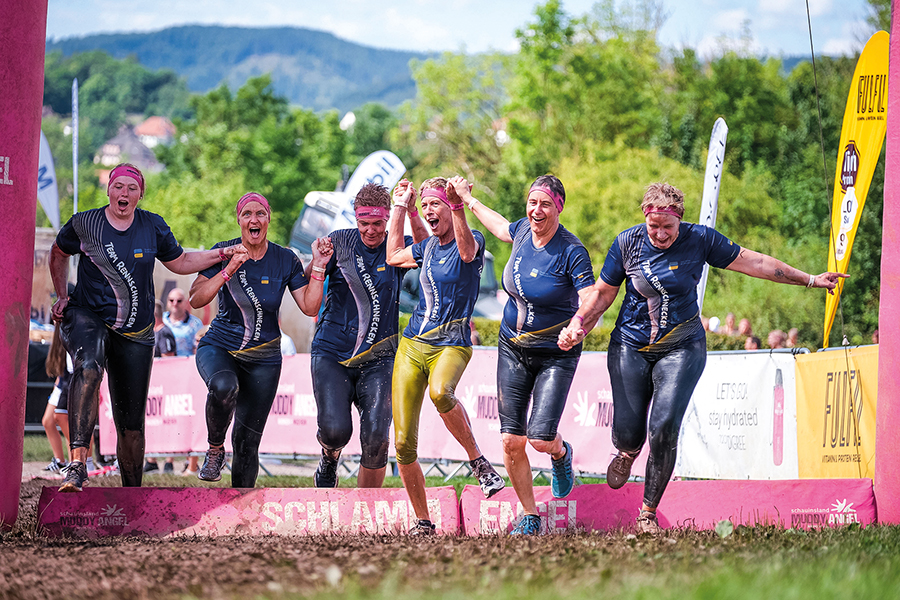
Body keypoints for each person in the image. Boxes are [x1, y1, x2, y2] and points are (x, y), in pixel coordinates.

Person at [558, 182, 847, 534]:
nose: (661, 234)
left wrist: (811, 279)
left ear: (680, 220)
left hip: (682, 345)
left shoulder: (700, 240)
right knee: (628, 433)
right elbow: (603, 294)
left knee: (664, 426)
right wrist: (578, 324)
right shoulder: (627, 243)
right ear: (644, 219)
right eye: (654, 227)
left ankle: (647, 512)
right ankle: (627, 452)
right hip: (630, 344)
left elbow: (753, 261)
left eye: (668, 227)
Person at [49, 163, 244, 492]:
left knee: (131, 426)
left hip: (136, 332)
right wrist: (62, 295)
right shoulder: (85, 223)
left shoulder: (151, 226)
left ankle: (131, 495)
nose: (124, 193)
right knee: (90, 366)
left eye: (131, 188)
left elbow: (180, 262)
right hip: (88, 314)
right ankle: (77, 464)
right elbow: (58, 252)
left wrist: (221, 254)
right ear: (108, 189)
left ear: (140, 194)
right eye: (118, 187)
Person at [464, 174, 595, 535]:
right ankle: (529, 514)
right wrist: (468, 201)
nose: (537, 210)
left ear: (559, 208)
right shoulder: (522, 230)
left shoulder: (571, 250)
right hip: (512, 347)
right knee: (510, 439)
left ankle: (560, 454)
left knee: (538, 437)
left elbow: (590, 299)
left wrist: (578, 326)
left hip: (556, 352)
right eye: (532, 202)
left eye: (546, 205)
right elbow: (501, 226)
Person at [386, 176, 505, 535]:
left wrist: (458, 204)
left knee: (441, 392)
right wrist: (400, 208)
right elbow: (393, 256)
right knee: (403, 443)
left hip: (453, 344)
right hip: (412, 344)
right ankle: (423, 521)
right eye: (425, 206)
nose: (428, 210)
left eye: (433, 204)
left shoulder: (471, 241)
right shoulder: (427, 248)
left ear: (449, 207)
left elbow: (467, 252)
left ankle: (479, 463)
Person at [189, 192, 332, 488]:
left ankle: (241, 514)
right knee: (223, 386)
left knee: (246, 443)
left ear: (268, 219)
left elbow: (310, 306)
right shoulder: (223, 252)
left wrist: (318, 265)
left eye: (260, 214)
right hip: (220, 347)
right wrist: (228, 270)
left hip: (264, 359)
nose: (254, 219)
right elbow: (195, 298)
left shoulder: (284, 259)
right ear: (239, 219)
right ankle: (215, 450)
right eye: (247, 214)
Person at [311, 182, 428, 489]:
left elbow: (430, 251)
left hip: (379, 359)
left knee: (376, 437)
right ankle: (329, 457)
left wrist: (411, 209)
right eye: (364, 223)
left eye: (378, 223)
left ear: (388, 218)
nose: (371, 231)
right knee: (335, 431)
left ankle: (366, 511)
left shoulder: (396, 246)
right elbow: (310, 286)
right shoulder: (340, 242)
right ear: (355, 218)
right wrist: (317, 263)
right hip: (333, 354)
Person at [144, 300, 180, 474]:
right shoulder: (152, 333)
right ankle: (151, 460)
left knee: (167, 423)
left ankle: (168, 462)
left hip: (165, 388)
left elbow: (169, 361)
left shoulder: (164, 333)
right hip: (153, 388)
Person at [41, 325, 72, 472]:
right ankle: (60, 461)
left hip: (70, 382)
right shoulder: (59, 331)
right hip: (61, 383)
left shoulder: (71, 328)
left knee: (64, 421)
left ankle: (75, 461)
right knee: (47, 421)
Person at [164, 288, 203, 356]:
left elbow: (198, 348)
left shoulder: (196, 323)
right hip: (163, 364)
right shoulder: (161, 319)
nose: (175, 304)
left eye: (179, 301)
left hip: (186, 363)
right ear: (167, 302)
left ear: (185, 302)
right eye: (171, 300)